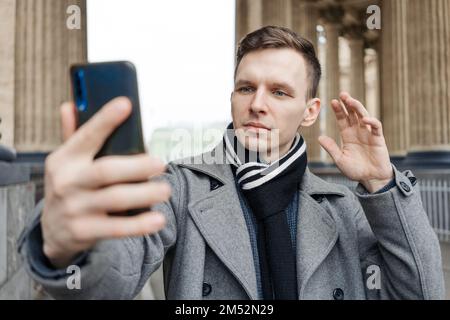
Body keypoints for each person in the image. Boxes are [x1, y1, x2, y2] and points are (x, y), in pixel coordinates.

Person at [20, 26, 444, 300]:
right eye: (246, 88)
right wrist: (67, 247)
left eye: (278, 92)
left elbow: (421, 293)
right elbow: (113, 280)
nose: (257, 104)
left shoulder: (343, 205)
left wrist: (382, 186)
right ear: (232, 97)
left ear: (310, 111)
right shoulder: (180, 186)